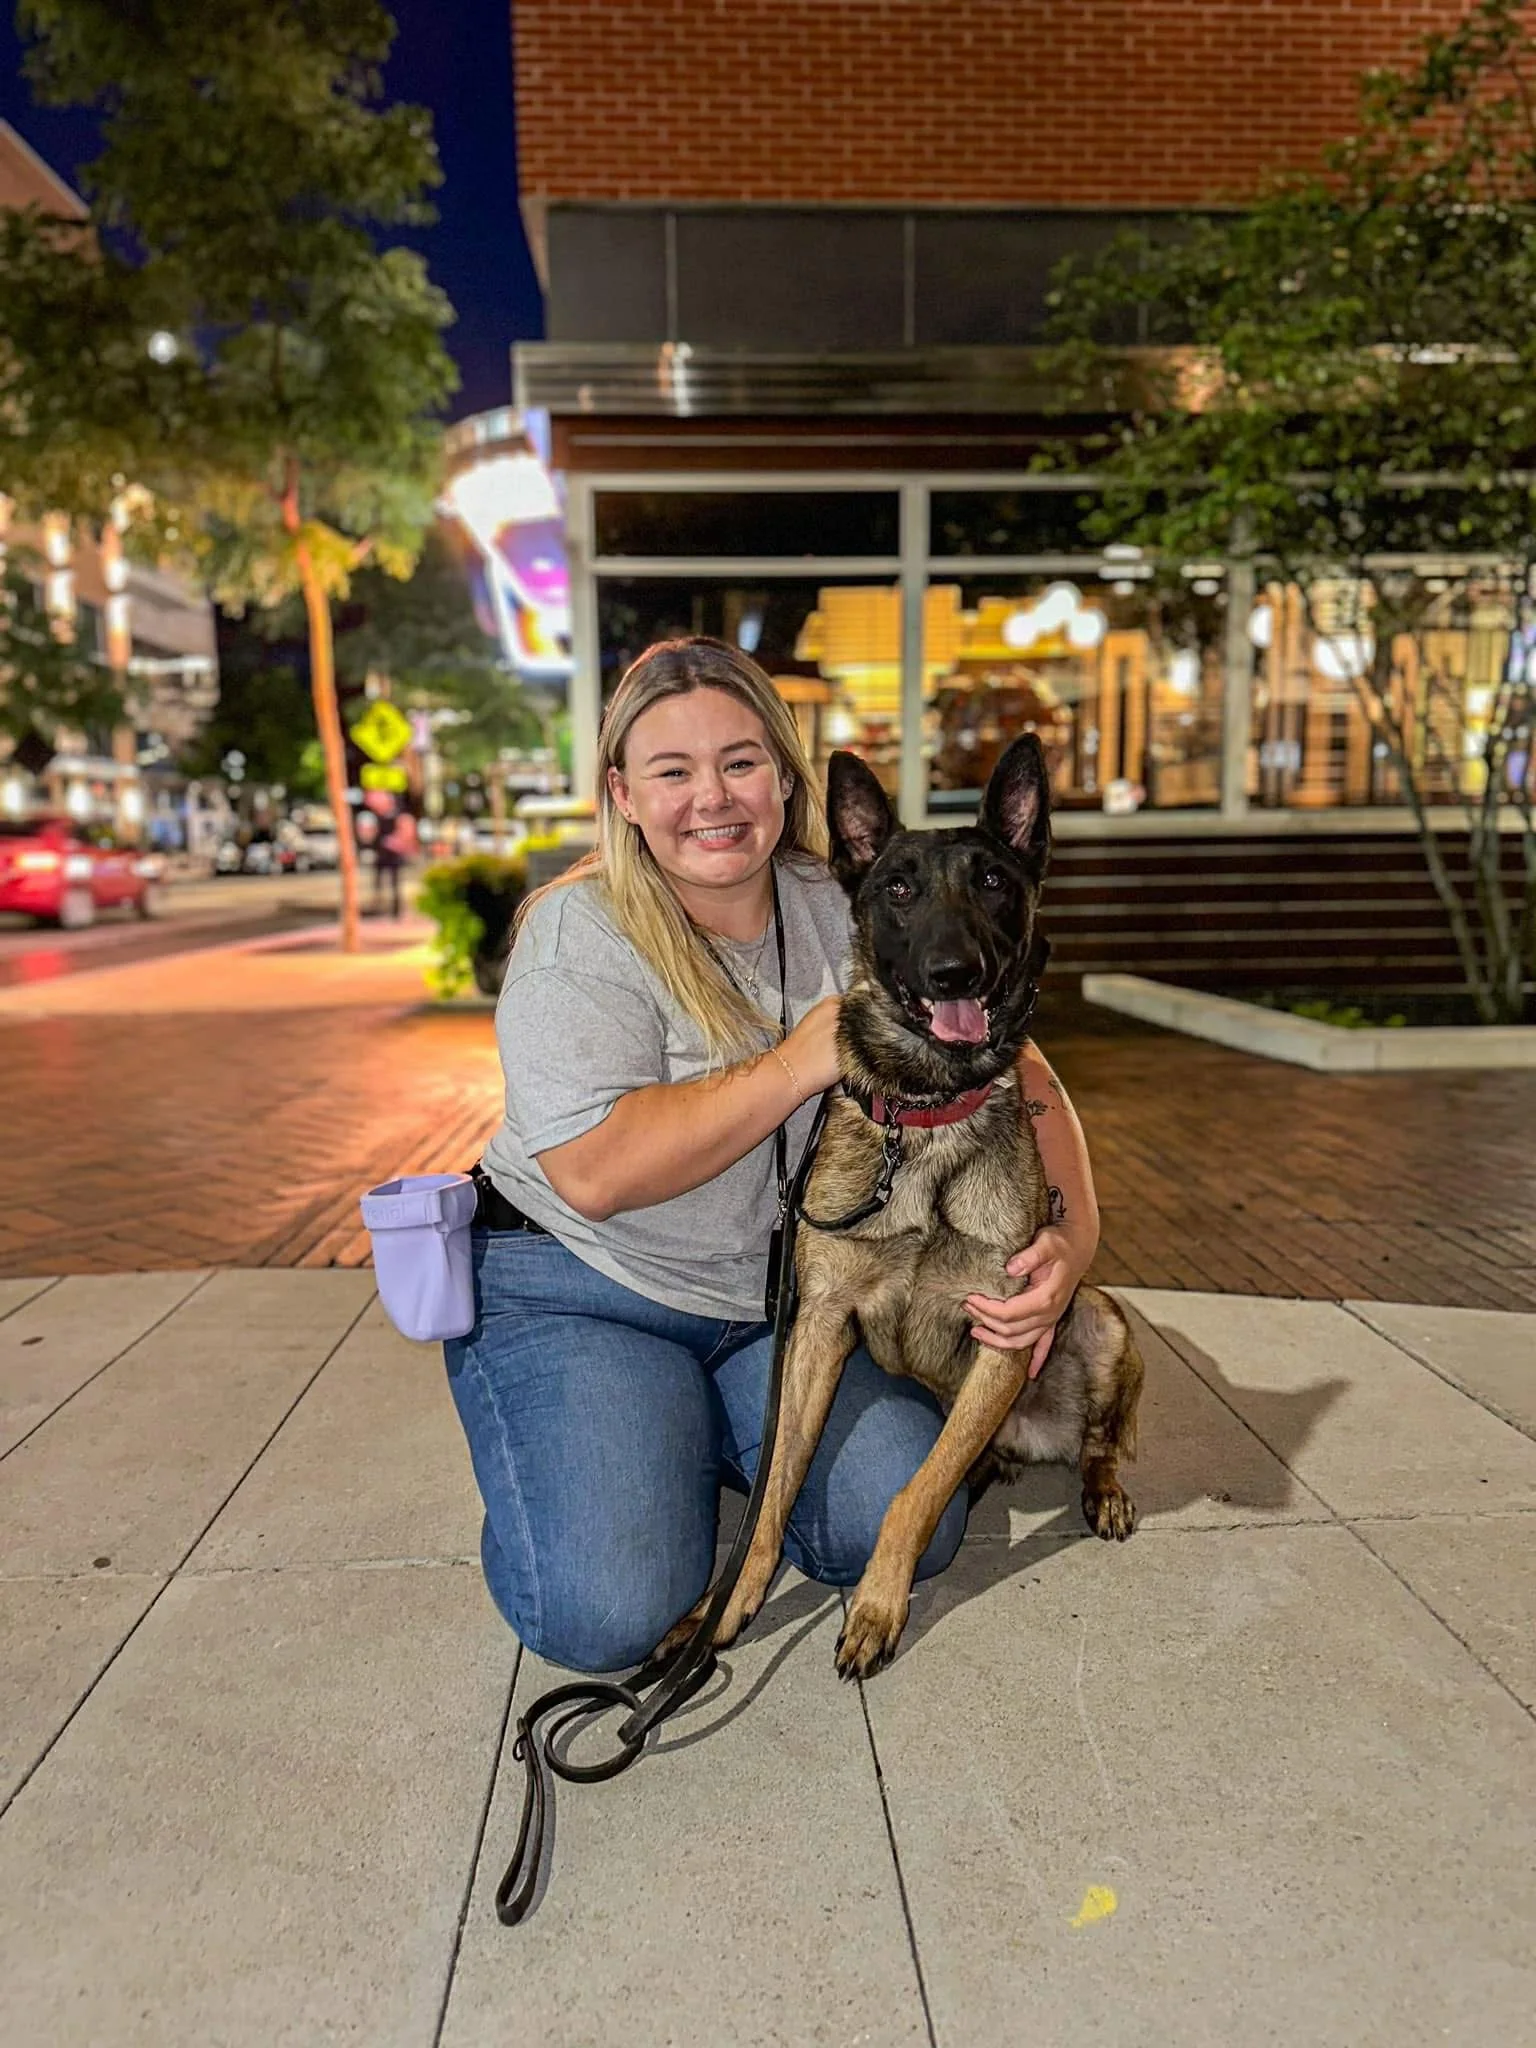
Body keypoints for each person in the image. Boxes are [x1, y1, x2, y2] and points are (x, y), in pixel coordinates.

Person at [445, 636, 1104, 1674]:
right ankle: (599, 1438)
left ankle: (682, 1433)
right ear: (622, 793)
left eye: (740, 761)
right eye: (672, 770)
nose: (711, 796)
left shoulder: (843, 895)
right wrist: (803, 1060)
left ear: (786, 781)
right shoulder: (578, 934)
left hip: (765, 1306)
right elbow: (595, 1172)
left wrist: (1073, 1237)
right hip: (579, 1281)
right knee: (603, 1610)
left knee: (910, 1533)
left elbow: (1023, 1069)